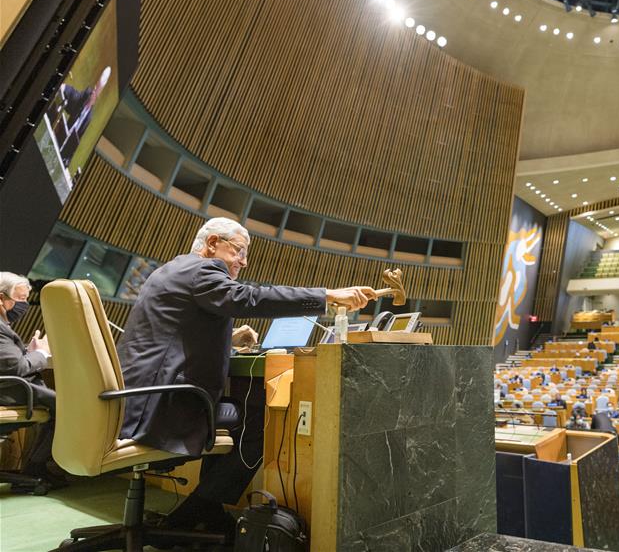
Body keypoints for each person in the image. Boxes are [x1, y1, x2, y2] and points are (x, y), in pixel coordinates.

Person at [116, 218, 376, 535]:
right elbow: (249, 298)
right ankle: (196, 511)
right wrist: (327, 296)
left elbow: (173, 333)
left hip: (140, 398)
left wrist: (229, 340)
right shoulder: (203, 271)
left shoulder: (171, 270)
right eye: (239, 251)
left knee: (237, 410)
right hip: (162, 405)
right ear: (212, 243)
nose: (244, 261)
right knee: (261, 422)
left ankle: (204, 510)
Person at [0, 272, 61, 483]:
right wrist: (41, 354)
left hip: (9, 385)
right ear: (1, 298)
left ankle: (36, 465)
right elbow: (16, 369)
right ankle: (36, 466)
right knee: (66, 408)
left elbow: (8, 361)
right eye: (21, 299)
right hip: (9, 390)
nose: (25, 305)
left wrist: (29, 351)